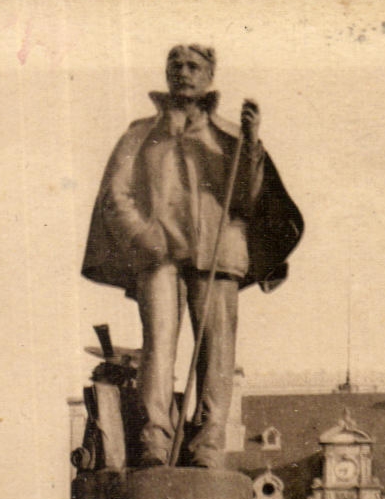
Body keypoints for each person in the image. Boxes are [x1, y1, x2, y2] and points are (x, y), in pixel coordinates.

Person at [81, 44, 303, 469]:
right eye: (175, 65)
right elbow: (115, 195)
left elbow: (248, 201)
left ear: (210, 75)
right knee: (158, 347)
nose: (183, 72)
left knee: (217, 354)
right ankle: (154, 441)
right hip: (159, 255)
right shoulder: (139, 134)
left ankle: (208, 444)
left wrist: (252, 145)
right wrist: (145, 236)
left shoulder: (233, 139)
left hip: (218, 255)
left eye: (193, 66)